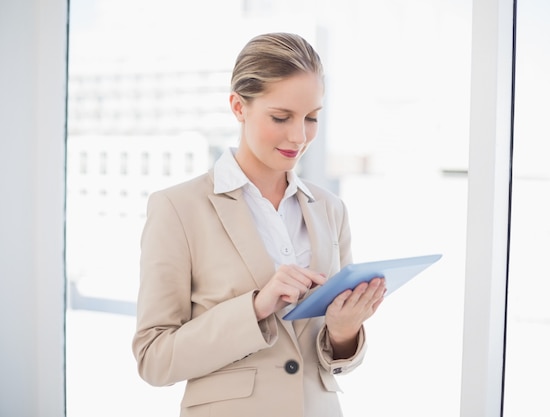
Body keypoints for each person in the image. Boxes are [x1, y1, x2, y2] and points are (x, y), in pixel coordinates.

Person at [132, 32, 386, 417]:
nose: (299, 137)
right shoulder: (178, 208)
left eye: (312, 118)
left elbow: (334, 361)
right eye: (281, 117)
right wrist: (255, 307)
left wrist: (345, 330)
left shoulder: (331, 210)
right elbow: (153, 358)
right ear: (238, 106)